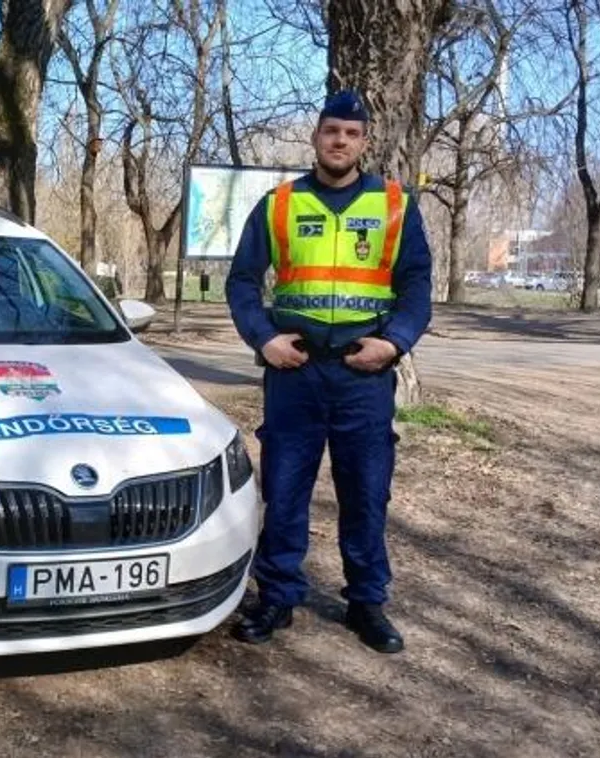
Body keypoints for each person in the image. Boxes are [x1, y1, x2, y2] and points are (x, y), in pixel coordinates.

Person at [223, 89, 432, 654]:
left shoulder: (396, 206)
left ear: (365, 142)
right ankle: (277, 597)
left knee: (366, 491)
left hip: (364, 374)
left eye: (352, 133)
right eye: (331, 130)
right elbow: (243, 281)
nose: (340, 140)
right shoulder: (279, 204)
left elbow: (417, 289)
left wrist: (394, 344)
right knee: (285, 488)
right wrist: (263, 339)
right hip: (296, 371)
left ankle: (367, 602)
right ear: (316, 136)